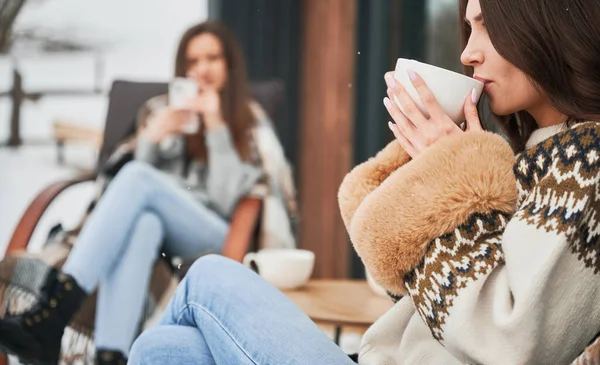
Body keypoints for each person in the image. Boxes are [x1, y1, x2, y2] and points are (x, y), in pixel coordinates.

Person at [127, 0, 600, 364]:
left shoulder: (585, 160)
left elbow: (514, 339)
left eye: (487, 26)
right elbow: (408, 286)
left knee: (209, 277)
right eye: (469, 26)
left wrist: (451, 170)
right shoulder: (537, 155)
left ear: (546, 23)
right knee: (165, 348)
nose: (467, 52)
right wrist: (429, 169)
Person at [0, 21, 296, 365]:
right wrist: (152, 139)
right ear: (182, 68)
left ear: (229, 65)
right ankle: (112, 356)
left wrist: (215, 126)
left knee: (139, 179)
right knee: (144, 223)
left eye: (212, 58)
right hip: (161, 228)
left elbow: (225, 199)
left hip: (217, 236)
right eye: (193, 61)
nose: (202, 69)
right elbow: (120, 194)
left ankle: (54, 312)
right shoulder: (161, 111)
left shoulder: (248, 121)